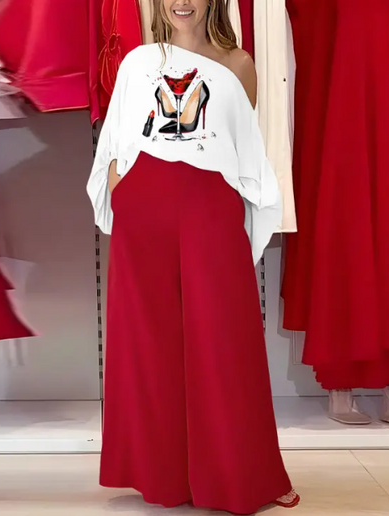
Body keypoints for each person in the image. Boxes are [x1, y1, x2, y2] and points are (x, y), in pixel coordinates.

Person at [87, 0, 299, 512]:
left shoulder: (239, 64)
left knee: (224, 340)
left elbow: (243, 147)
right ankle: (163, 478)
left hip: (210, 209)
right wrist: (119, 184)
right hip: (144, 211)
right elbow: (116, 138)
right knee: (150, 344)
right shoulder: (137, 61)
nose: (182, 1)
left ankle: (243, 476)